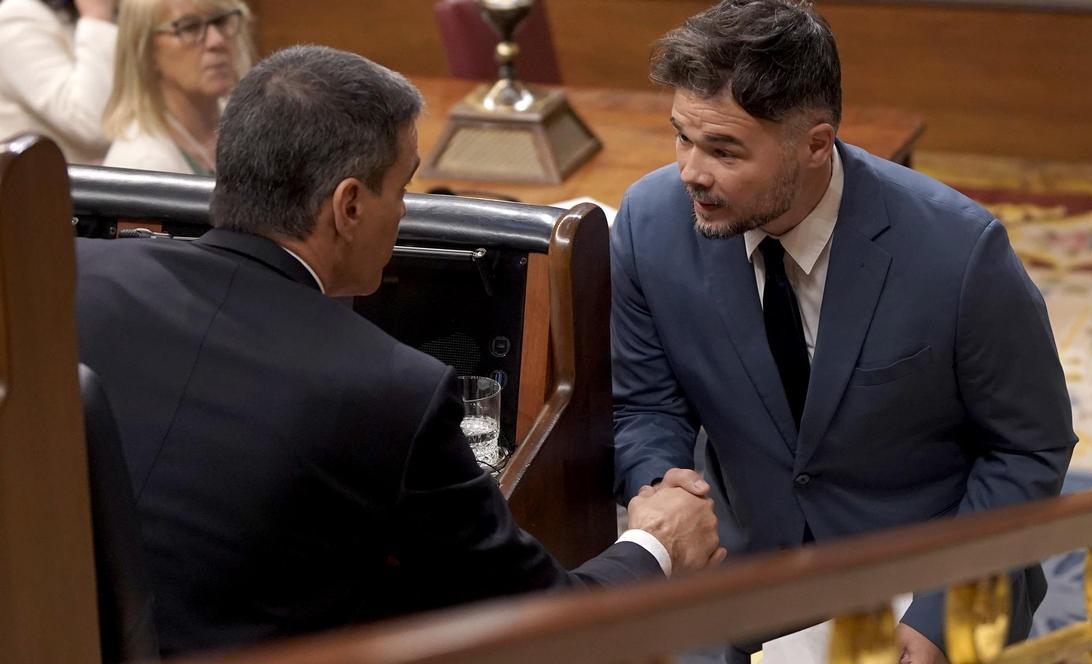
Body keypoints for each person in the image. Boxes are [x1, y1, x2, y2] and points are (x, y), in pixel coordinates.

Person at [75, 45, 724, 657]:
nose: (408, 211)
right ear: (349, 207)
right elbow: (534, 627)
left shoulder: (79, 277)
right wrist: (654, 546)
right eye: (404, 187)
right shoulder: (387, 390)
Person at [609, 1, 1076, 661]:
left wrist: (937, 616)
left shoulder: (960, 252)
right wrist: (669, 499)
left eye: (724, 149)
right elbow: (646, 405)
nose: (691, 171)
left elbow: (1029, 447)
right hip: (734, 577)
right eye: (683, 136)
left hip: (923, 578)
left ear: (816, 145)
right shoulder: (648, 223)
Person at [101, 0, 252, 174]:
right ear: (147, 51)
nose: (216, 41)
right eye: (189, 28)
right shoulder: (142, 164)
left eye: (221, 21)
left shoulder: (245, 126)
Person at [0, 0, 117, 163]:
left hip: (73, 180)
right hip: (40, 182)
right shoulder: (18, 17)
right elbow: (91, 126)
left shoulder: (67, 13)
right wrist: (97, 16)